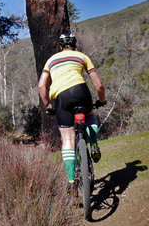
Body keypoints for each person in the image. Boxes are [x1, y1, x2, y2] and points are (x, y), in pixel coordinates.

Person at [38, 33, 106, 185]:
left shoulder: (51, 60)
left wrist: (47, 105)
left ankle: (71, 180)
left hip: (61, 98)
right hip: (81, 92)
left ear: (60, 47)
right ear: (75, 45)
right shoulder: (82, 57)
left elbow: (42, 85)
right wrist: (102, 100)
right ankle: (93, 144)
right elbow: (99, 85)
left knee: (68, 139)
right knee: (89, 116)